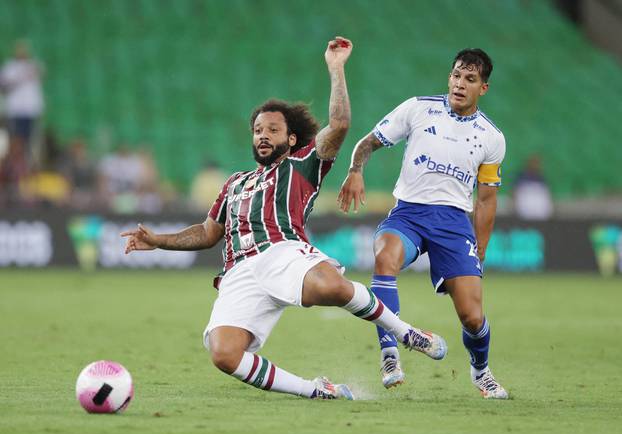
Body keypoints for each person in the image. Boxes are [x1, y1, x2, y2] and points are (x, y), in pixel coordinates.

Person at [121, 37, 447, 401]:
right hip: (238, 272)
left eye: (272, 130)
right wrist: (157, 240)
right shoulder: (234, 183)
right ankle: (316, 391)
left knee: (331, 288)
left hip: (282, 251)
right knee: (224, 354)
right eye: (258, 130)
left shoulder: (302, 166)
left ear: (291, 138)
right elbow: (208, 232)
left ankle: (406, 333)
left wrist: (336, 68)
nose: (263, 135)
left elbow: (339, 125)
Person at [338, 48, 508, 399]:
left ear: (483, 88)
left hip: (453, 223)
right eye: (457, 75)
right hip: (409, 214)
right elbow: (368, 142)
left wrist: (481, 251)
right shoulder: (417, 108)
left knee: (473, 318)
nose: (460, 84)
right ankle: (390, 355)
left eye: (470, 79)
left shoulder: (491, 138)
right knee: (384, 257)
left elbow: (487, 199)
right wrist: (355, 170)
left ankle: (481, 372)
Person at [0, 40, 45, 164]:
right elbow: (4, 86)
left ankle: (28, 165)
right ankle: (14, 165)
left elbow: (41, 72)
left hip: (31, 110)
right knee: (16, 140)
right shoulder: (9, 67)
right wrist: (21, 78)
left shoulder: (33, 64)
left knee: (30, 142)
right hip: (15, 110)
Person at [513, 154, 553, 220]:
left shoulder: (541, 178)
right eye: (533, 163)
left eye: (536, 163)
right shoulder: (521, 176)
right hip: (525, 207)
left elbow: (547, 194)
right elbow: (515, 191)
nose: (534, 165)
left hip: (539, 211)